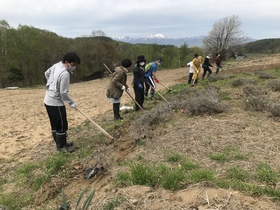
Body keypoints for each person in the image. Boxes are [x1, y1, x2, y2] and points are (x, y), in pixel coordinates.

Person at [44, 52, 81, 153]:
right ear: (66, 62)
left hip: (47, 100)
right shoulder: (65, 74)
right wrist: (71, 102)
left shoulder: (57, 65)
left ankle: (60, 143)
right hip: (55, 103)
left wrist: (51, 85)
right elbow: (63, 93)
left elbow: (46, 73)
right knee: (61, 124)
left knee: (55, 124)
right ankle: (62, 146)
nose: (74, 67)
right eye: (73, 65)